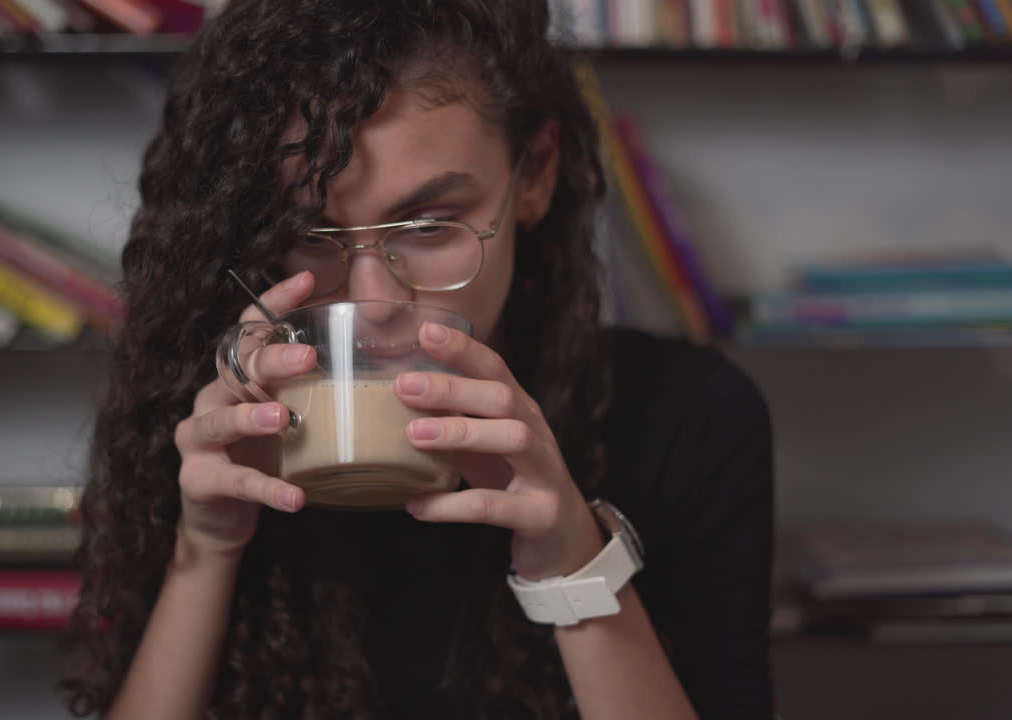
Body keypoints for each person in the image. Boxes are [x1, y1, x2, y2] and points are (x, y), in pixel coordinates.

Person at [61, 1, 775, 718]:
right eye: (311, 230)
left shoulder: (693, 418)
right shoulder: (202, 423)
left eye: (432, 226)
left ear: (536, 174)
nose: (376, 302)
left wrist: (574, 561)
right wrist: (208, 546)